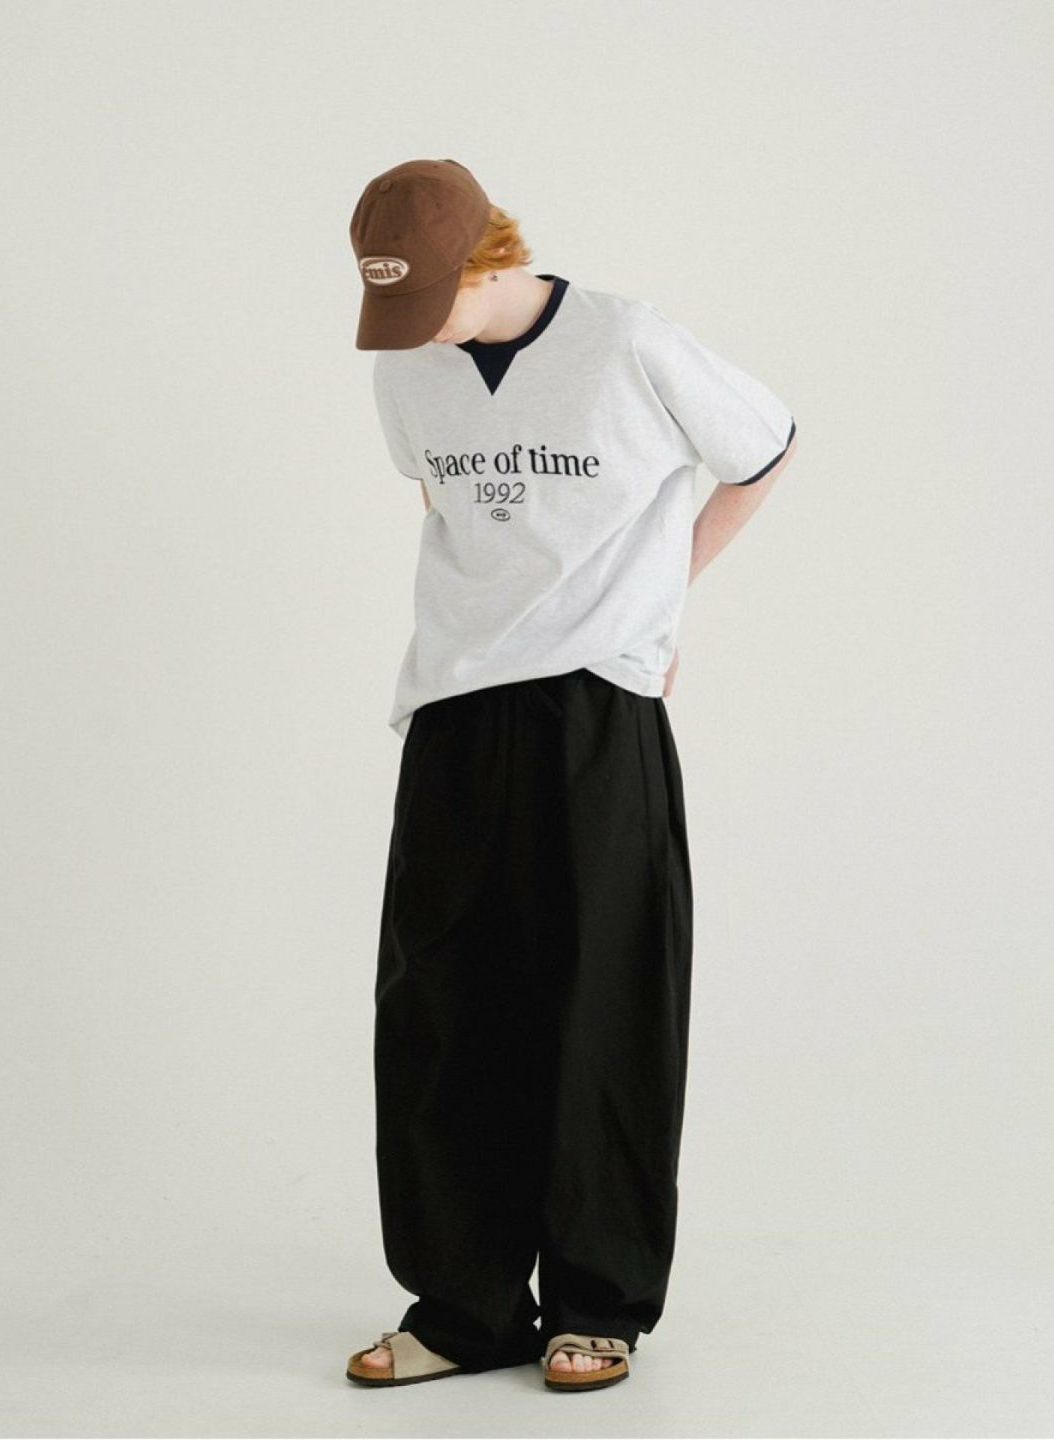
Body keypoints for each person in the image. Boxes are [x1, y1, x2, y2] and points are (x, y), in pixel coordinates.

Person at [344, 158, 797, 1392]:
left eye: (425, 299)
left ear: (487, 257)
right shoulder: (408, 367)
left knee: (606, 998)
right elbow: (446, 509)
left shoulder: (627, 343)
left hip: (598, 703)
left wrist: (659, 600)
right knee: (440, 1005)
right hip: (454, 705)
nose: (410, 329)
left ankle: (596, 1300)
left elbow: (760, 449)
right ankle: (465, 1303)